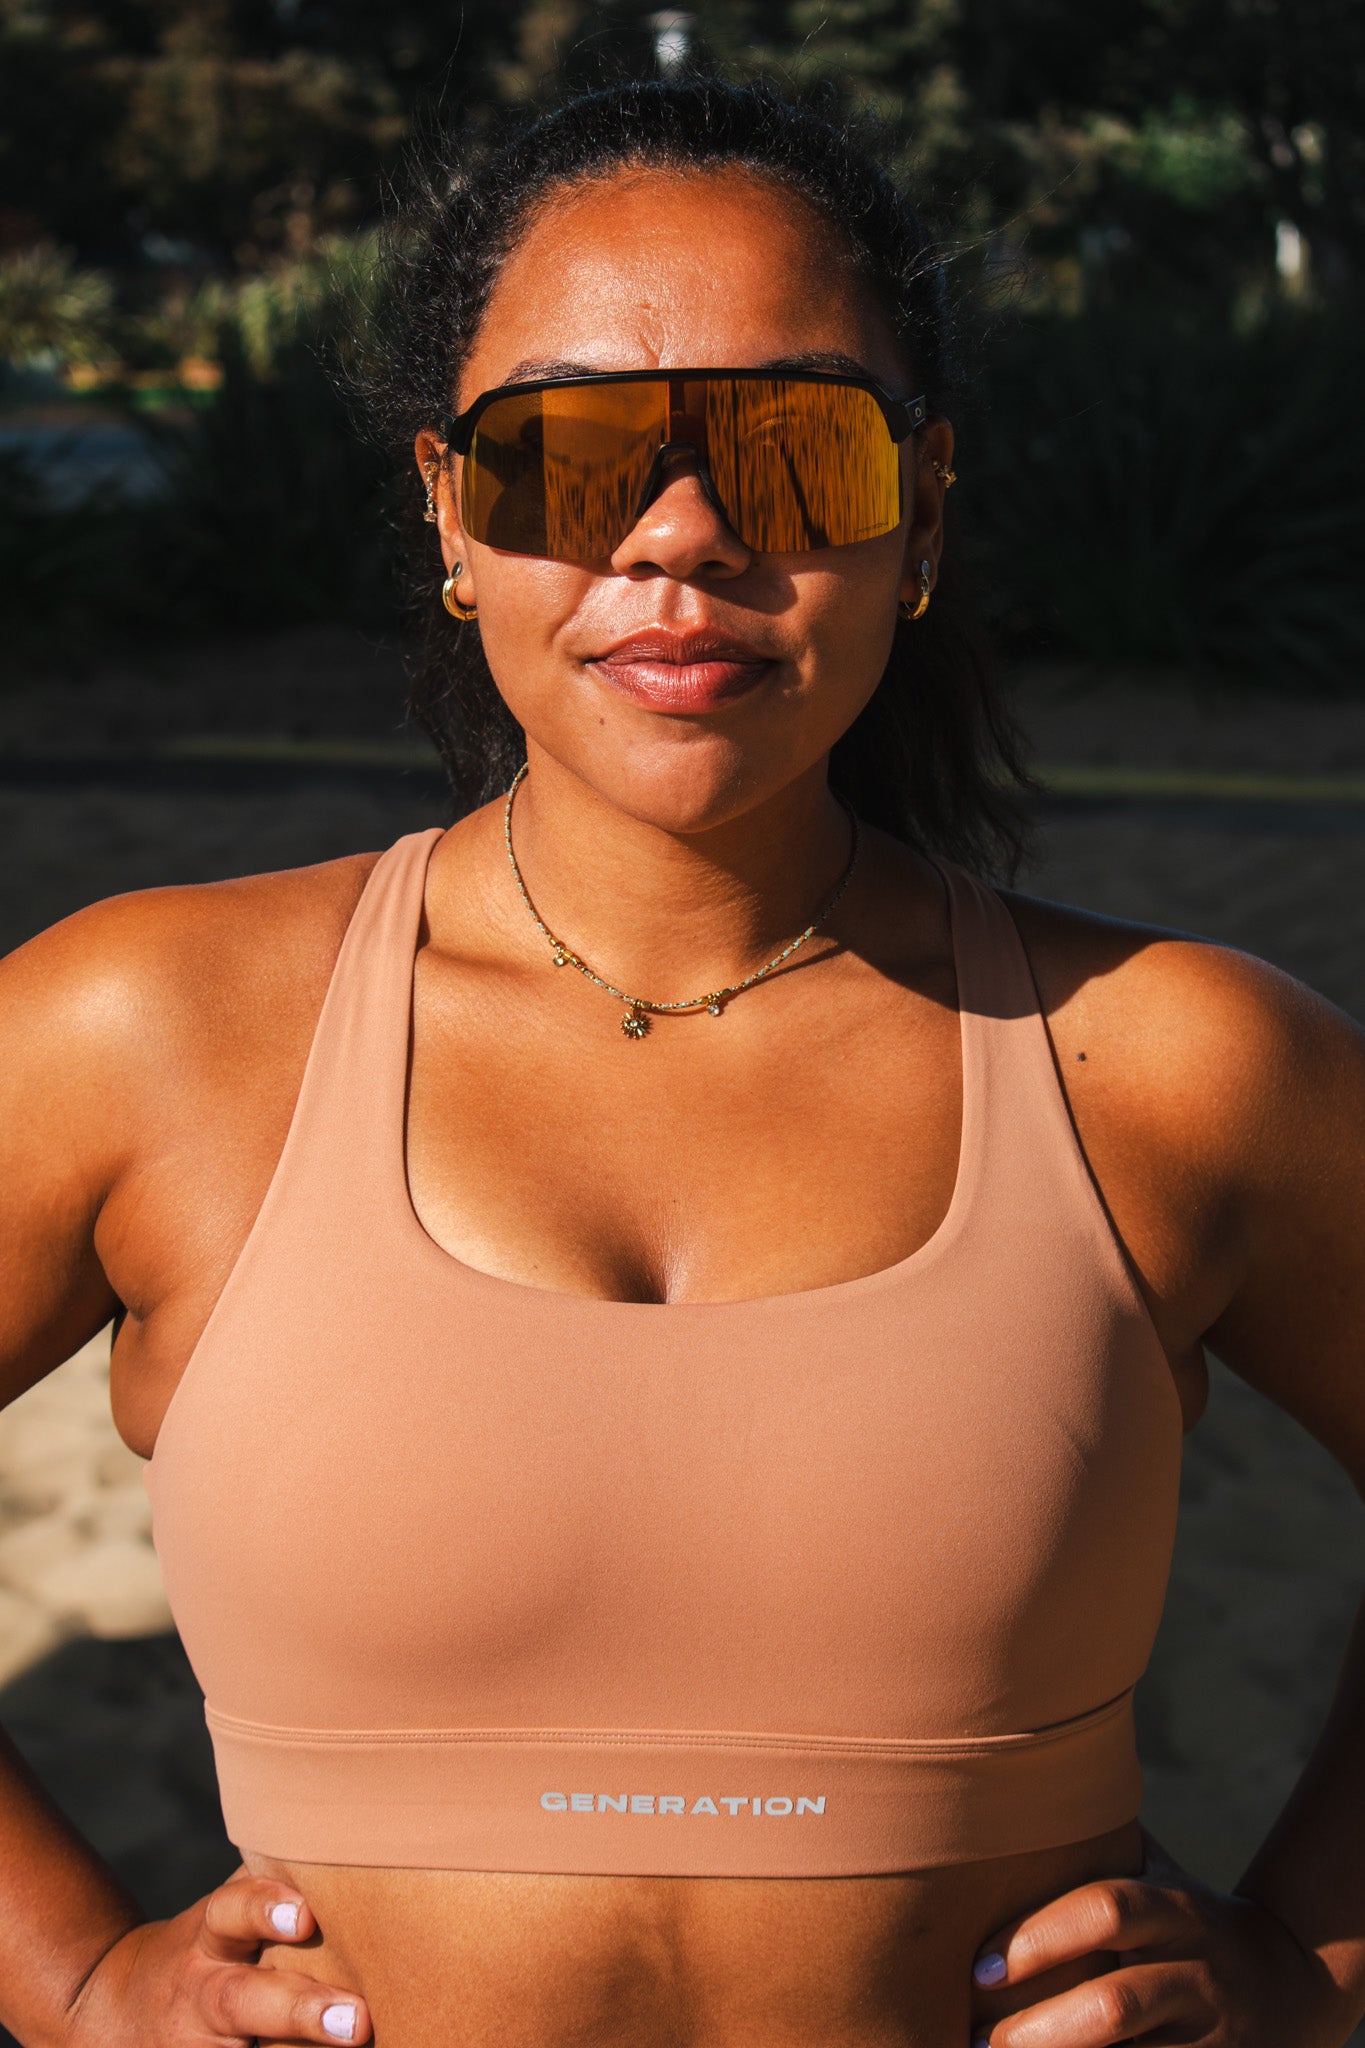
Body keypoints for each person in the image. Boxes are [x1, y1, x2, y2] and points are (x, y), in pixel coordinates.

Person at [1, 75, 1363, 2048]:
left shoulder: (1167, 1062)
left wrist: (1309, 1962)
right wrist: (69, 1979)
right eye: (567, 454)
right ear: (452, 513)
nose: (683, 535)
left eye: (796, 449)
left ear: (920, 512)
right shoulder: (156, 1033)